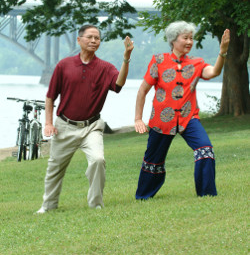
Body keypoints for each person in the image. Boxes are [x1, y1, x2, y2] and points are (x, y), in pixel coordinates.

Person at [36, 24, 134, 213]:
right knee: (54, 168)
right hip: (64, 126)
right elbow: (50, 96)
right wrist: (48, 123)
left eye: (97, 38)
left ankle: (95, 204)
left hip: (92, 126)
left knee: (98, 160)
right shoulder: (64, 65)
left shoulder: (106, 68)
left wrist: (126, 57)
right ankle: (48, 207)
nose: (93, 41)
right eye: (89, 37)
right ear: (79, 40)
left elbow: (119, 83)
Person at [135, 21, 230, 199]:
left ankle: (207, 194)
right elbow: (142, 91)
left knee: (205, 149)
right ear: (173, 40)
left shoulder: (197, 63)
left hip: (189, 118)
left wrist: (222, 52)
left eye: (191, 38)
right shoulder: (159, 61)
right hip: (162, 120)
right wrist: (138, 119)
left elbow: (214, 72)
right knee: (153, 161)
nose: (189, 42)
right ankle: (144, 196)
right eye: (185, 38)